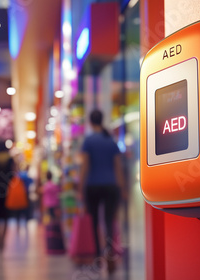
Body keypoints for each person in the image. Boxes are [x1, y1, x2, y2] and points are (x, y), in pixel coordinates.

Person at [79, 109, 125, 275]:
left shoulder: (89, 141)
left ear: (90, 122)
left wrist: (80, 187)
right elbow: (118, 166)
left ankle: (98, 256)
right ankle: (110, 256)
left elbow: (85, 166)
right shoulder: (110, 141)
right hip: (111, 185)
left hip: (93, 185)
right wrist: (122, 187)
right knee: (109, 222)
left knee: (94, 223)